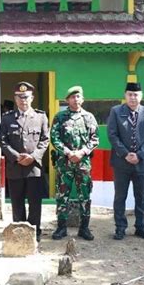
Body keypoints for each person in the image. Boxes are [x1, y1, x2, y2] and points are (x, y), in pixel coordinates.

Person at [0, 81, 49, 242]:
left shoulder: (41, 116)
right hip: (15, 166)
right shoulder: (7, 118)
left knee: (35, 202)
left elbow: (45, 140)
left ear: (32, 98)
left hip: (34, 167)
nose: (23, 100)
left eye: (26, 97)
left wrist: (33, 156)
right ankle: (19, 231)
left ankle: (35, 231)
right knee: (17, 202)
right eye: (19, 97)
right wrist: (16, 156)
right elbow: (3, 141)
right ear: (15, 98)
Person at [107, 82, 144, 240]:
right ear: (125, 95)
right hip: (121, 162)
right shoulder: (116, 111)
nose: (133, 98)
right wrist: (125, 153)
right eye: (130, 94)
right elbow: (112, 135)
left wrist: (139, 155)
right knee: (120, 196)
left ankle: (141, 227)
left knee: (141, 197)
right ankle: (120, 227)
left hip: (141, 163)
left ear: (141, 96)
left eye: (136, 94)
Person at [50, 86, 99, 241]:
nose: (75, 99)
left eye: (78, 97)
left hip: (83, 163)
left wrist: (81, 152)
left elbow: (95, 139)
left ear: (82, 99)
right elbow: (54, 138)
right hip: (65, 163)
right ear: (67, 100)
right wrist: (68, 152)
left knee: (84, 195)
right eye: (72, 97)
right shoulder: (60, 117)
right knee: (62, 195)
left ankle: (84, 228)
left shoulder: (89, 117)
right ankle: (61, 227)